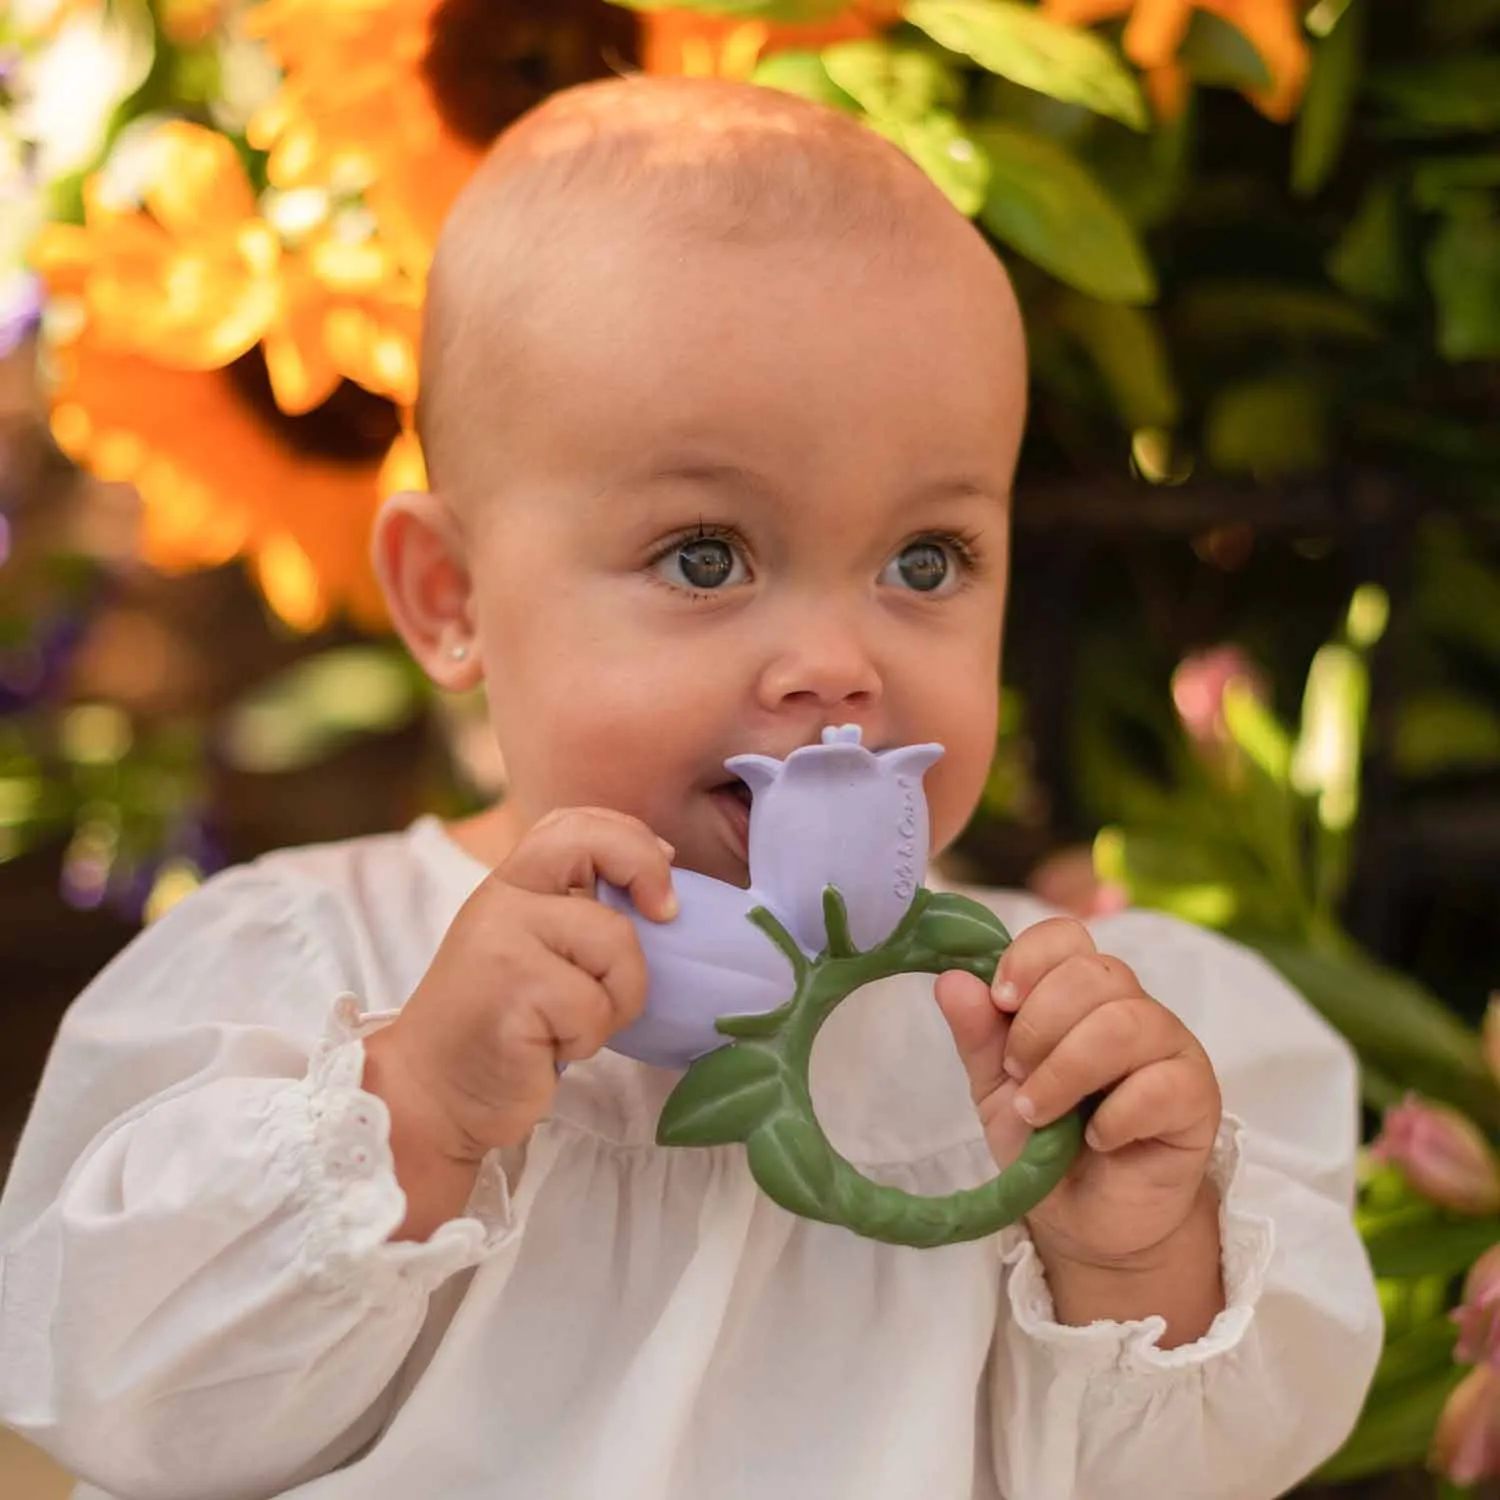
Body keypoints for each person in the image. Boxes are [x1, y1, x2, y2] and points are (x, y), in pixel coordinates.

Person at [0, 75, 1381, 1500]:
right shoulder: (307, 973)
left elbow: (1233, 1459)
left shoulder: (1058, 1046)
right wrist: (412, 1115)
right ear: (450, 594)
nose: (837, 664)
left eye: (927, 559)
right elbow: (108, 1393)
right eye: (707, 555)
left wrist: (1143, 1255)